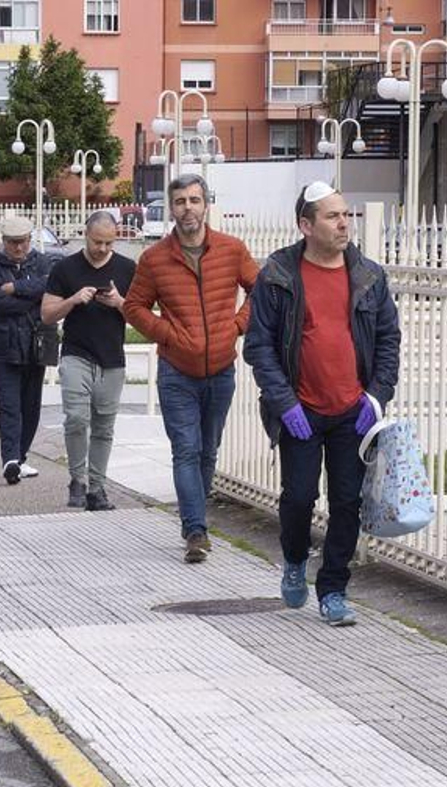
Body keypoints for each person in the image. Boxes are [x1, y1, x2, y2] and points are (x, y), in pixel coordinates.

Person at [244, 182, 401, 627]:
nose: (344, 224)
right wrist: (284, 402)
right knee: (298, 497)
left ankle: (333, 589)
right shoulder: (277, 276)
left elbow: (388, 340)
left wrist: (377, 395)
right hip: (301, 411)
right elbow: (259, 346)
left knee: (347, 502)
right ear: (306, 225)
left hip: (354, 413)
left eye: (346, 215)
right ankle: (295, 559)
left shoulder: (369, 276)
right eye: (333, 216)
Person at [124, 173, 261, 563]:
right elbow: (133, 307)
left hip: (221, 369)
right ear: (171, 208)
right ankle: (195, 531)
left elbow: (261, 289)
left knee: (207, 450)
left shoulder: (232, 249)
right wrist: (167, 334)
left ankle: (196, 521)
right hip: (176, 371)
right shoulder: (154, 259)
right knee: (186, 449)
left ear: (206, 205)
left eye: (194, 200)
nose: (188, 208)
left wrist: (237, 326)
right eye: (181, 201)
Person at [41, 210, 135, 512]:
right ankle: (77, 480)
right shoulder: (65, 268)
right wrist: (73, 300)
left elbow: (142, 316)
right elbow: (47, 314)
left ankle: (97, 488)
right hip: (76, 353)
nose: (103, 249)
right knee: (77, 418)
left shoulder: (127, 269)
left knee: (104, 426)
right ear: (86, 235)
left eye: (109, 243)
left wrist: (119, 303)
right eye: (97, 242)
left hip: (112, 358)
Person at [0, 216, 51, 485]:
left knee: (31, 407)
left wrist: (16, 288)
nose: (18, 248)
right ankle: (10, 459)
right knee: (10, 405)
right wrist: (32, 300)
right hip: (3, 347)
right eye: (12, 243)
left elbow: (49, 287)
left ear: (30, 240)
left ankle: (20, 457)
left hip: (35, 345)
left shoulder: (42, 263)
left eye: (22, 242)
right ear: (4, 241)